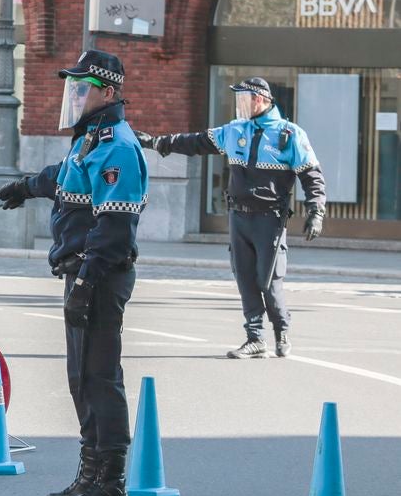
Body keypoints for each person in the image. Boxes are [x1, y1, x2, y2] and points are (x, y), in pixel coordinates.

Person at [0, 50, 148, 496]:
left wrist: (85, 281)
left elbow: (114, 229)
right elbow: (63, 179)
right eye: (72, 87)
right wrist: (26, 186)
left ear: (107, 91)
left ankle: (111, 483)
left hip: (99, 274)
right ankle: (89, 471)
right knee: (81, 378)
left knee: (101, 378)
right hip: (81, 272)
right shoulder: (89, 140)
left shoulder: (117, 146)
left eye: (82, 87)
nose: (74, 95)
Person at [136, 78, 326, 359]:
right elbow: (197, 142)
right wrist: (157, 142)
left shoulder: (289, 134)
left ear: (261, 100)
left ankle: (281, 329)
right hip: (239, 217)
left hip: (270, 219)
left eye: (245, 99)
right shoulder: (235, 130)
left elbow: (312, 177)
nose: (240, 105)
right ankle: (255, 338)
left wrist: (316, 212)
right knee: (245, 277)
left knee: (269, 281)